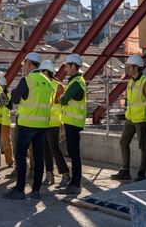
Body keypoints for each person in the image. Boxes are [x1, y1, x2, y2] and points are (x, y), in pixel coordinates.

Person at [3, 52, 52, 200]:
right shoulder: (48, 81)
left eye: (25, 64)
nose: (23, 67)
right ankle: (36, 190)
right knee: (38, 157)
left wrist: (12, 93)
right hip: (42, 125)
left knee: (21, 156)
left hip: (26, 124)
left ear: (30, 63)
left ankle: (19, 189)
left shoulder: (28, 80)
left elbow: (16, 99)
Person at [111, 55, 146, 182]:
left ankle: (141, 173)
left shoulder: (145, 82)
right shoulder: (131, 82)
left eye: (129, 67)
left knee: (143, 146)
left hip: (142, 119)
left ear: (136, 67)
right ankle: (125, 170)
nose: (127, 69)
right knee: (123, 142)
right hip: (131, 118)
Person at [37, 60, 70, 187]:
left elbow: (58, 102)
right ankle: (49, 175)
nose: (40, 74)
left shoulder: (57, 86)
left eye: (41, 72)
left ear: (46, 71)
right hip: (44, 122)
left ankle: (66, 174)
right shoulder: (44, 84)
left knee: (54, 149)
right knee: (46, 150)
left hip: (53, 122)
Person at [58, 54, 87, 195]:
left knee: (74, 154)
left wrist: (62, 97)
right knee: (73, 153)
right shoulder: (75, 81)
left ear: (74, 66)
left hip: (73, 123)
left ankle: (76, 184)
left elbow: (63, 100)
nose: (65, 69)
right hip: (72, 122)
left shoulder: (76, 82)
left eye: (67, 66)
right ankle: (74, 182)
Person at [0, 76, 14, 168]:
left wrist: (3, 99)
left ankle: (10, 161)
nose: (1, 87)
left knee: (7, 143)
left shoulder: (8, 95)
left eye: (2, 85)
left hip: (5, 121)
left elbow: (10, 106)